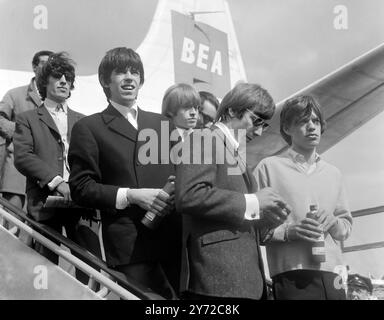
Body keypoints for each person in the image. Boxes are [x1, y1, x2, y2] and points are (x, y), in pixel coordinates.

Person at [68, 47, 178, 299]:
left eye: (135, 72)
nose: (129, 77)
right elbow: (80, 187)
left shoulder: (162, 124)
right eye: (120, 72)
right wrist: (131, 195)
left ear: (141, 80)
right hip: (130, 245)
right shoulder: (88, 127)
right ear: (106, 81)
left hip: (172, 237)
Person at [175, 83, 290, 300]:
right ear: (231, 111)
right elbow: (189, 195)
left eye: (264, 126)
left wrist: (269, 217)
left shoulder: (235, 152)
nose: (259, 131)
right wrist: (254, 202)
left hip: (240, 280)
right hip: (217, 278)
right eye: (256, 121)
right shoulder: (203, 138)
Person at [253, 95, 352, 300]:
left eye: (315, 121)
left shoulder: (334, 173)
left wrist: (333, 222)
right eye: (302, 121)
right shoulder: (268, 167)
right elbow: (254, 230)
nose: (311, 127)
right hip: (291, 275)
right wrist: (290, 231)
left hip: (334, 274)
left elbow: (345, 229)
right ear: (287, 128)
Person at [13, 52, 93, 271]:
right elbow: (23, 157)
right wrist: (57, 182)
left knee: (92, 267)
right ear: (44, 82)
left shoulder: (84, 121)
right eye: (58, 76)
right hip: (44, 203)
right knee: (42, 268)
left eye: (68, 77)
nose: (65, 81)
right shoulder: (27, 118)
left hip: (81, 203)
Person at [0, 50, 52, 213]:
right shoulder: (14, 94)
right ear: (34, 67)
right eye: (44, 63)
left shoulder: (56, 98)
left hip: (45, 169)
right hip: (17, 169)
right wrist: (24, 134)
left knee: (40, 227)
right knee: (14, 223)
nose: (48, 68)